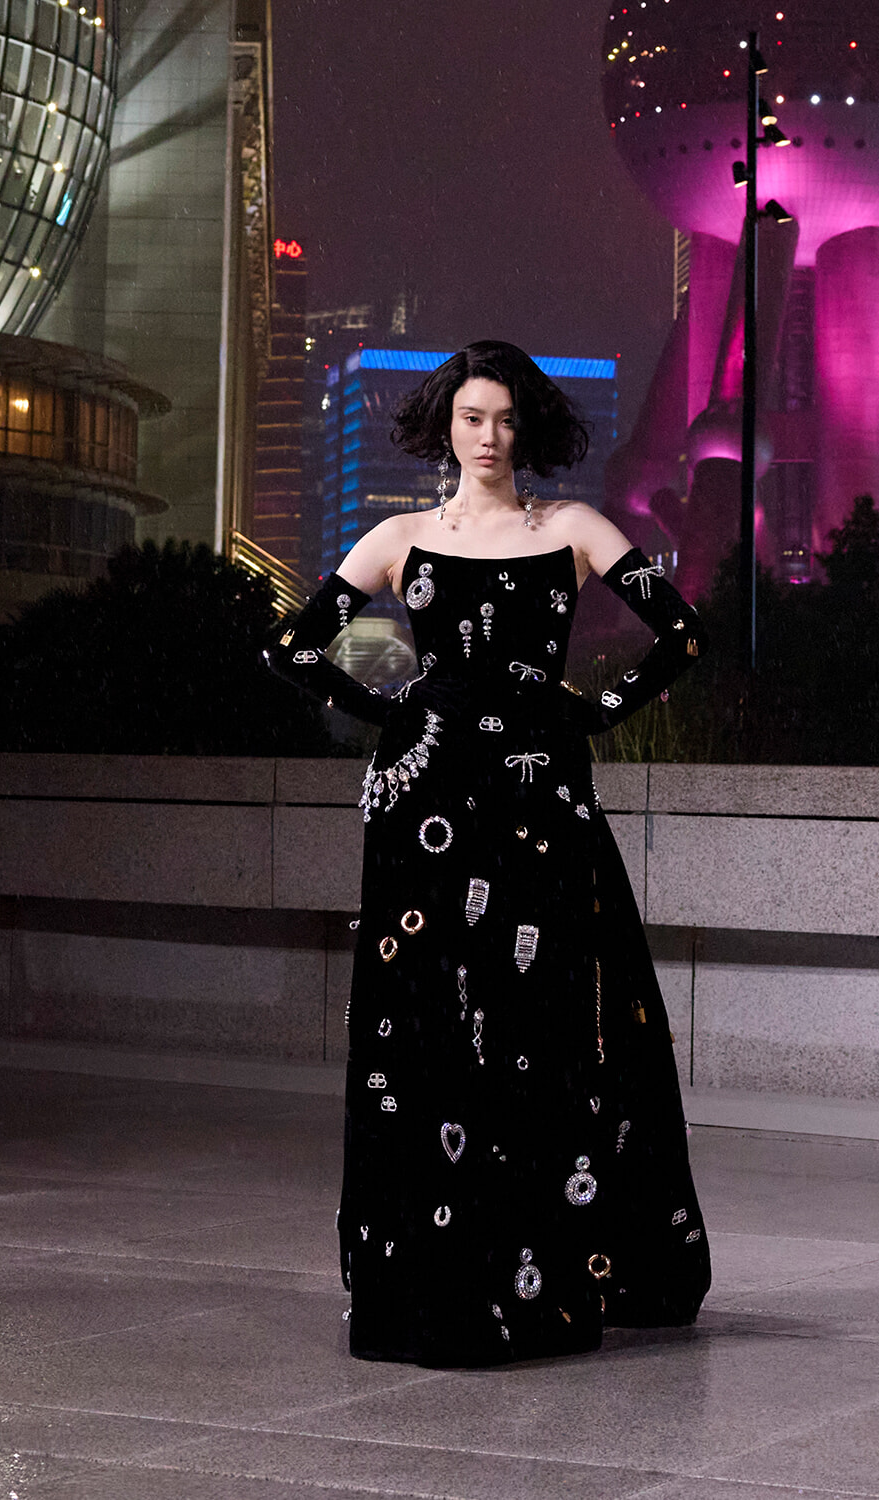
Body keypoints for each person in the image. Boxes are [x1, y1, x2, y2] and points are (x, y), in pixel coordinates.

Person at [264, 340, 710, 1366]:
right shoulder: (402, 537)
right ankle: (433, 1272)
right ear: (445, 424)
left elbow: (681, 635)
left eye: (506, 419)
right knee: (429, 1034)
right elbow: (290, 647)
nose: (491, 436)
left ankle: (542, 1271)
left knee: (544, 1019)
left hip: (543, 797)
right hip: (425, 799)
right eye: (473, 417)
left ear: (529, 425)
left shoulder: (575, 529)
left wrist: (595, 713)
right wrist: (392, 714)